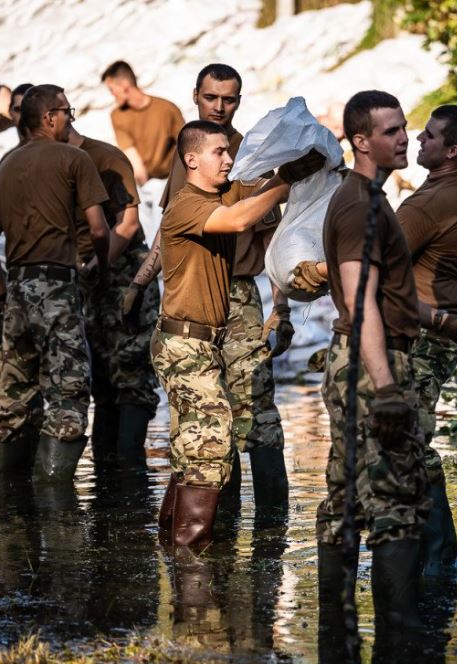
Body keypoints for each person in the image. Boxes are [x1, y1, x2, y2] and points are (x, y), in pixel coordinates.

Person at [124, 64, 293, 523]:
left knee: (252, 407)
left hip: (237, 295)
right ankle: (211, 525)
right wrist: (141, 282)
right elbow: (170, 224)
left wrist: (280, 306)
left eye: (229, 100)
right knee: (197, 422)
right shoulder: (194, 149)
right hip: (188, 294)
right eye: (211, 98)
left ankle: (271, 524)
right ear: (196, 96)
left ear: (240, 101)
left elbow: (273, 240)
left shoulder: (248, 156)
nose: (220, 107)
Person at [152, 120, 316, 551]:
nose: (229, 159)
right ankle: (192, 560)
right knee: (211, 446)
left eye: (230, 152)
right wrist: (286, 182)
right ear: (191, 160)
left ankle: (173, 544)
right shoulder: (186, 204)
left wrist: (294, 168)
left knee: (196, 447)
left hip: (203, 342)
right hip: (184, 343)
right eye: (219, 152)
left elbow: (258, 194)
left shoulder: (223, 191)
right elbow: (241, 219)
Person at [316, 90, 429, 664]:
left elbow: (383, 297)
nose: (403, 139)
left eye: (404, 128)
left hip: (357, 356)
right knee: (394, 506)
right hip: (370, 364)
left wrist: (438, 322)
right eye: (390, 131)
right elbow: (361, 304)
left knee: (344, 502)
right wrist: (386, 387)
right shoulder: (359, 205)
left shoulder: (367, 199)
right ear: (361, 140)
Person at [0, 84, 110, 480]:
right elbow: (100, 231)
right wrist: (99, 270)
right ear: (49, 117)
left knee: (13, 394)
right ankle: (55, 501)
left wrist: (3, 292)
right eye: (67, 111)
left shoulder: (7, 164)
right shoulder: (75, 158)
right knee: (68, 393)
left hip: (17, 288)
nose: (71, 119)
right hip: (58, 286)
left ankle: (10, 501)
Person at [397, 104, 457, 578]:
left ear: (452, 150)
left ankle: (437, 557)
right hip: (437, 327)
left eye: (428, 137)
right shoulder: (455, 188)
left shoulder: (433, 202)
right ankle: (428, 553)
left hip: (429, 334)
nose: (417, 139)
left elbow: (379, 273)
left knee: (410, 439)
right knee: (407, 437)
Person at [66, 112, 158, 453]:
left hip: (123, 271)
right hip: (86, 275)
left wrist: (97, 266)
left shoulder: (105, 157)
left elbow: (129, 223)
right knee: (102, 376)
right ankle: (107, 473)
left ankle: (130, 469)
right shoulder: (47, 161)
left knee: (131, 372)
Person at [102, 60, 185, 185]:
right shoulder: (117, 115)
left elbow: (187, 147)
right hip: (148, 183)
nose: (112, 94)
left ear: (124, 86)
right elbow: (132, 156)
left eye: (112, 89)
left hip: (175, 178)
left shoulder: (167, 109)